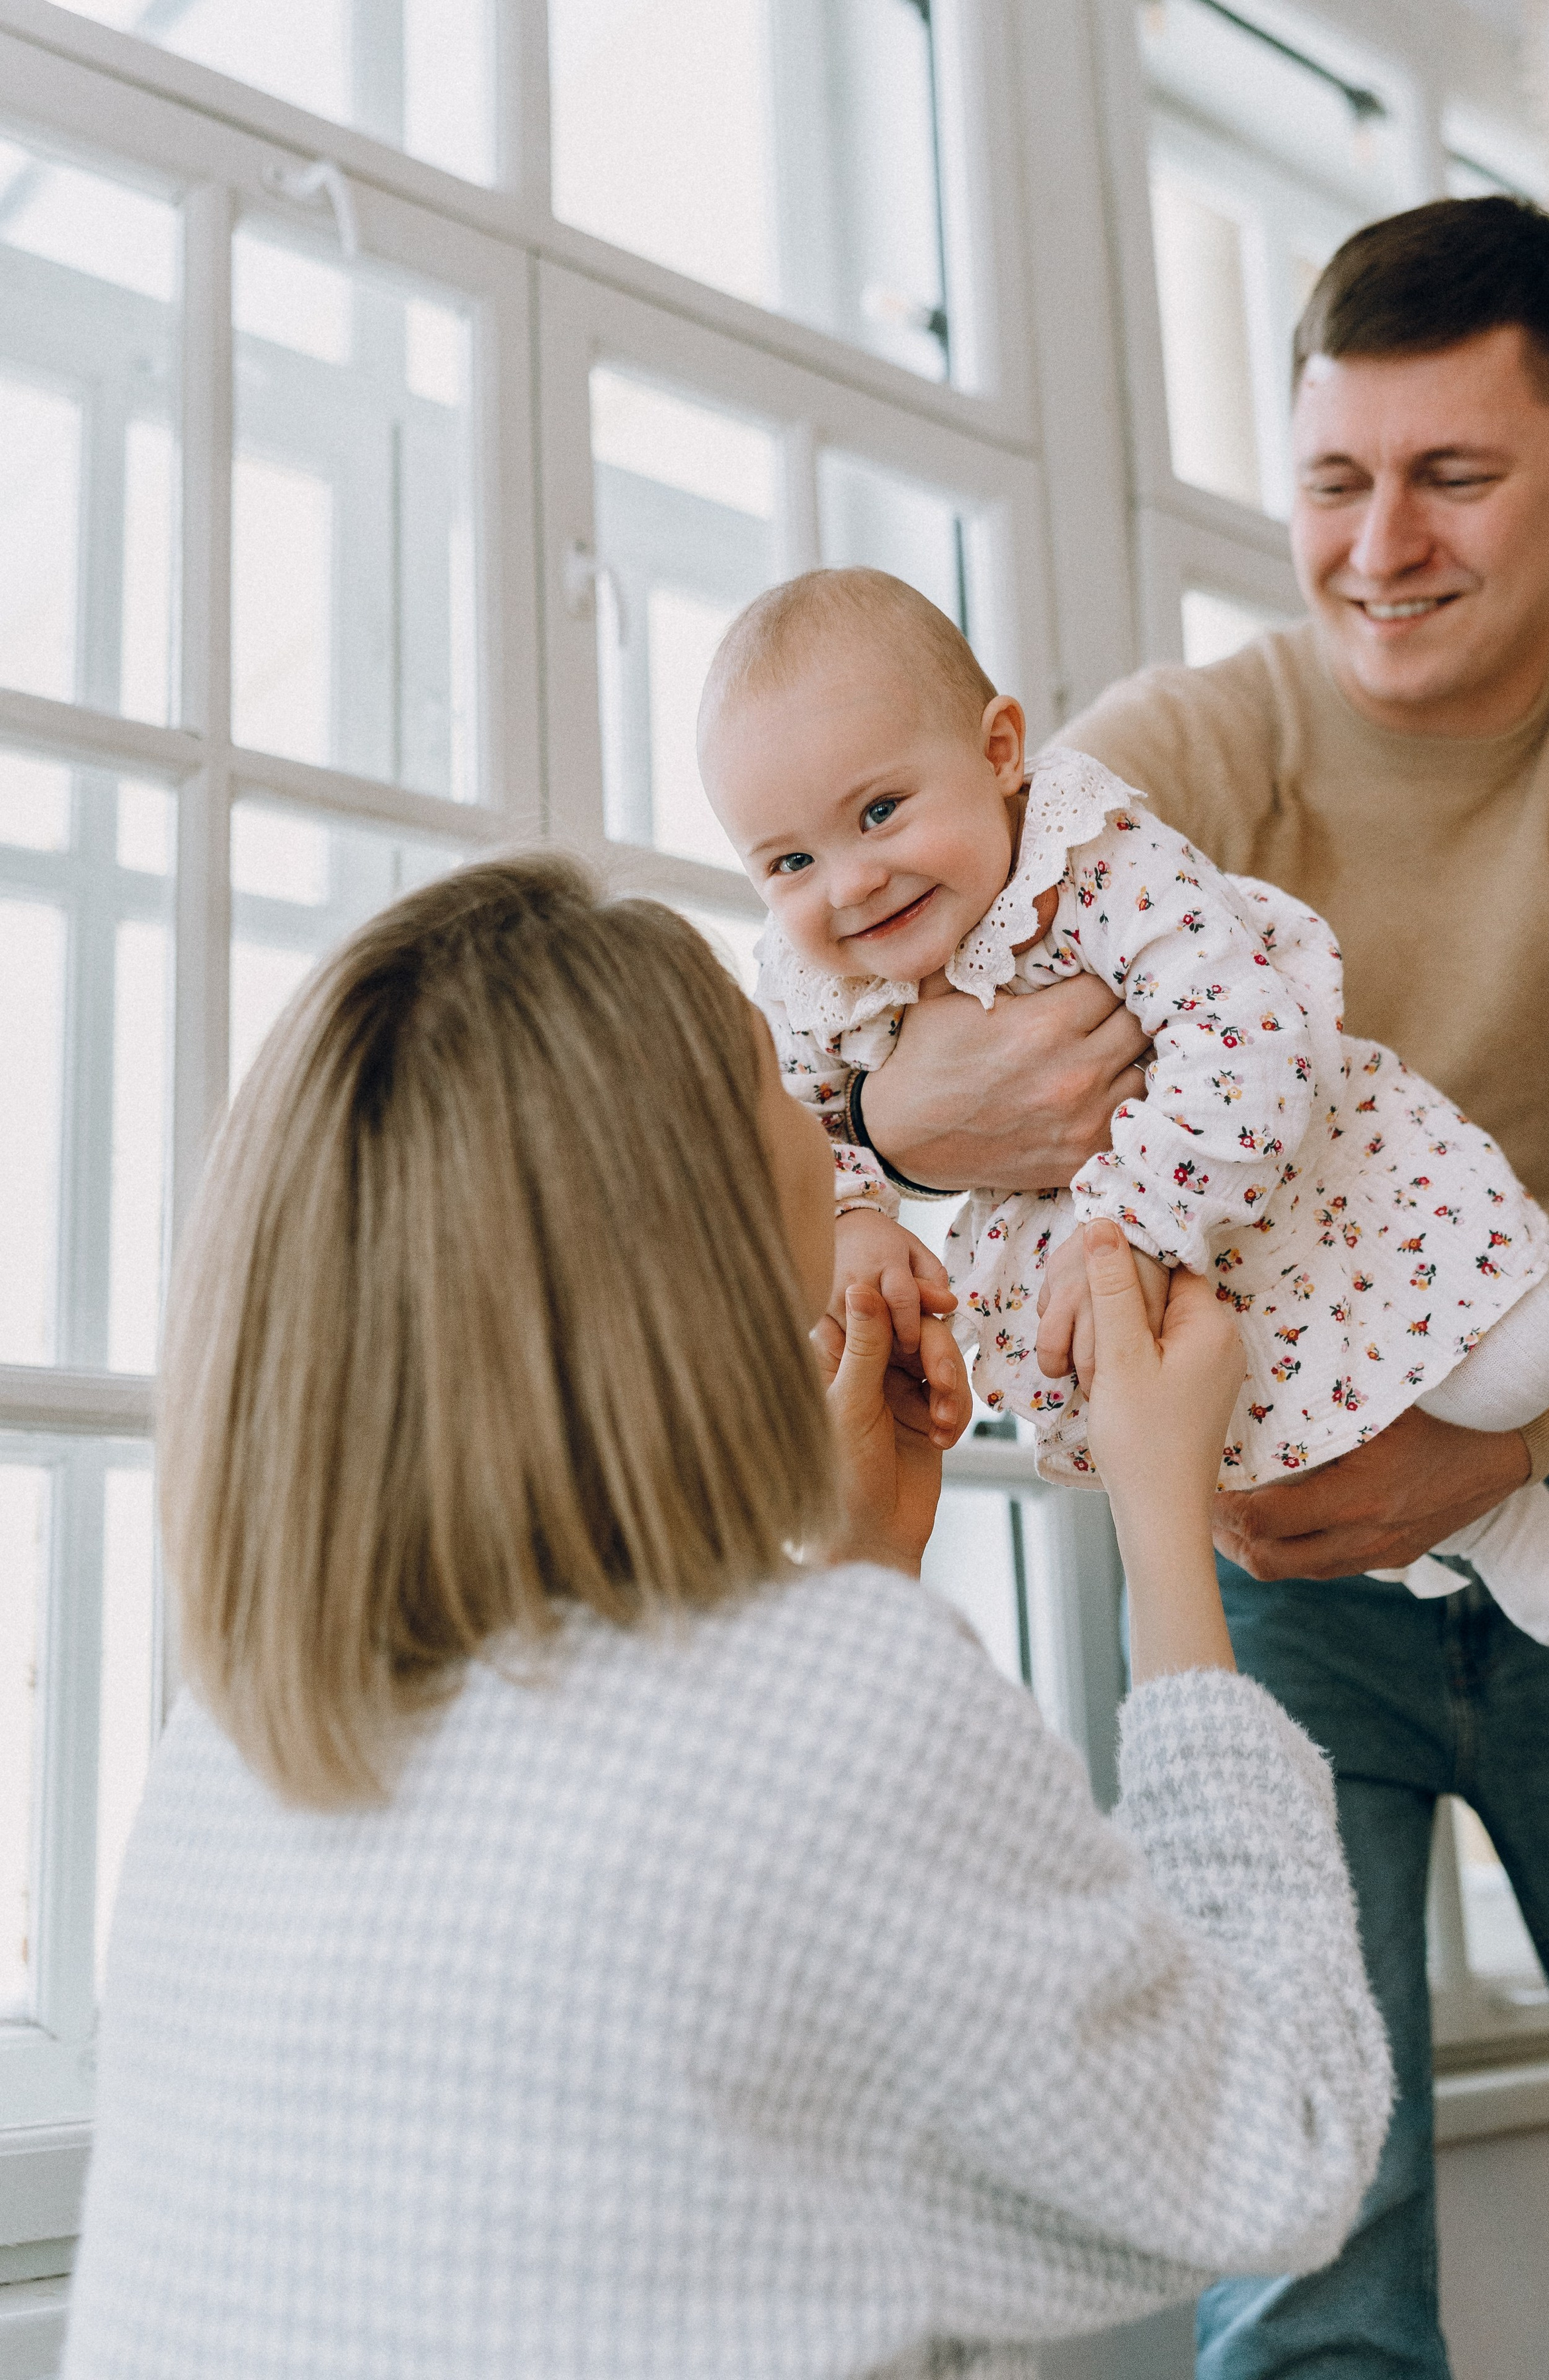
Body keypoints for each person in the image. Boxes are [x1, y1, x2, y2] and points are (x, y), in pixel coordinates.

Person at [63, 852, 1390, 2380]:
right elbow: (1278, 2145)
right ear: (689, 1221)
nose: (826, 1138)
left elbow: (721, 2112)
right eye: (776, 1075)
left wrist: (846, 1569)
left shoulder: (228, 1747)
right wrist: (1161, 1524)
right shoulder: (829, 1700)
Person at [846, 195, 1549, 2375]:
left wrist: (1503, 1438)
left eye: (1454, 476)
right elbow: (936, 993)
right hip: (1278, 1544)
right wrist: (882, 1123)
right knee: (1307, 2235)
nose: (1379, 545)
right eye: (1334, 480)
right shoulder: (1192, 743)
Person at [698, 565, 1549, 1650]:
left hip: (1282, 1174)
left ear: (999, 752)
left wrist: (1141, 1220)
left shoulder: (1099, 860)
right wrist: (851, 1215)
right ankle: (1473, 1537)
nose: (849, 885)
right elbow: (790, 1126)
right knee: (1228, 1450)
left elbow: (1244, 1028)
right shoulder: (812, 982)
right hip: (1118, 1274)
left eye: (880, 812)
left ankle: (1501, 1506)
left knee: (1522, 1365)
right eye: (791, 861)